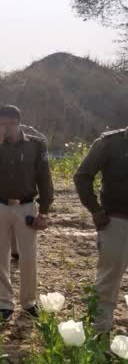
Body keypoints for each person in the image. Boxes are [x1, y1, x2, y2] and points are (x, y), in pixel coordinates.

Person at [0, 105, 54, 320]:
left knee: (28, 256)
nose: (0, 129)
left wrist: (44, 211)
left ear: (16, 123)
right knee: (0, 255)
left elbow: (44, 180)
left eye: (5, 125)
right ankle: (5, 302)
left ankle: (28, 301)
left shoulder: (35, 145)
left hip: (26, 206)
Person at [74, 127, 128, 333]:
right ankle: (98, 336)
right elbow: (82, 176)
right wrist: (95, 210)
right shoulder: (110, 143)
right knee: (108, 282)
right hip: (117, 221)